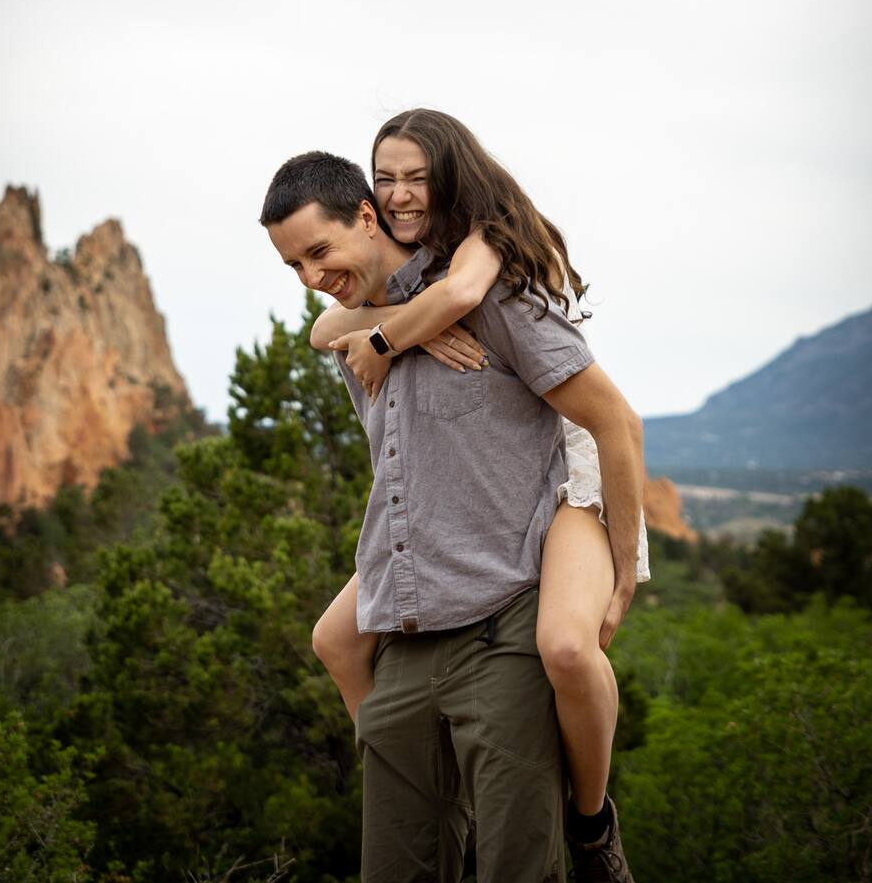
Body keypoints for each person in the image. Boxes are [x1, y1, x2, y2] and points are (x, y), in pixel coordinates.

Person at [261, 142, 644, 882]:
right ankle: (420, 771)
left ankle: (591, 823)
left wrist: (624, 570)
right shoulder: (356, 318)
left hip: (566, 490)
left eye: (318, 251)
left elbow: (611, 421)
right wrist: (402, 322)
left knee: (567, 645)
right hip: (421, 601)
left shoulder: (481, 261)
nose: (310, 279)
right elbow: (325, 327)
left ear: (369, 215)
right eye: (292, 266)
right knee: (334, 640)